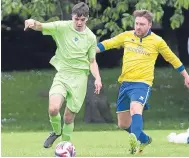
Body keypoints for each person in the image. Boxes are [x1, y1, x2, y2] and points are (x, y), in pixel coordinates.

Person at [96, 10, 189, 154]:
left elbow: (172, 58)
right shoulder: (127, 36)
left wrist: (185, 75)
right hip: (125, 84)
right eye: (136, 23)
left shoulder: (157, 41)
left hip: (142, 84)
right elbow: (108, 43)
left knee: (135, 109)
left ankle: (134, 142)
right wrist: (91, 50)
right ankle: (144, 139)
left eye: (142, 24)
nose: (138, 27)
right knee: (123, 124)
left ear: (150, 25)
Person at [24, 2, 102, 148]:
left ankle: (65, 147)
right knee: (53, 109)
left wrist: (97, 78)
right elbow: (41, 26)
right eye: (76, 19)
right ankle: (56, 131)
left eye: (82, 20)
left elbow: (92, 61)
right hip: (63, 74)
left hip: (80, 78)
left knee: (68, 118)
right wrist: (32, 22)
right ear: (72, 17)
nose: (79, 22)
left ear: (87, 19)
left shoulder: (90, 37)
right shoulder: (62, 27)